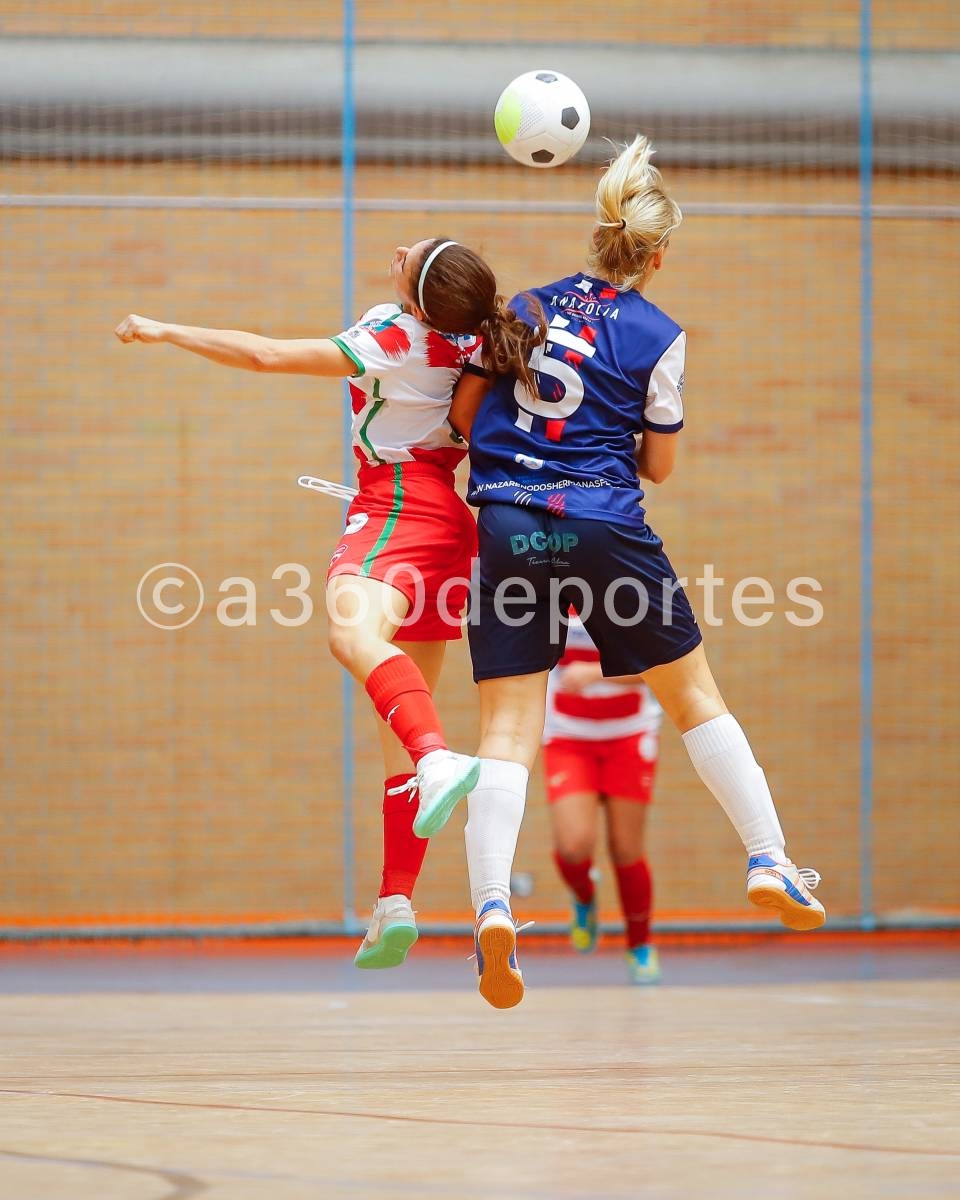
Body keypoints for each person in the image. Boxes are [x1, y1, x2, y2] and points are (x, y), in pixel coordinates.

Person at [418, 136, 826, 1010]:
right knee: (694, 698)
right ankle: (771, 860)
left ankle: (492, 906)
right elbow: (662, 467)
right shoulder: (659, 335)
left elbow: (461, 414)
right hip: (604, 523)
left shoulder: (525, 304)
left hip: (510, 524)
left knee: (506, 729)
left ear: (597, 234)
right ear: (656, 252)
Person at [114, 237, 546, 970]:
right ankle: (395, 902)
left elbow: (264, 357)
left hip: (399, 502)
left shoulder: (396, 336)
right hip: (449, 523)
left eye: (417, 255)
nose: (401, 248)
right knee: (396, 722)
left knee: (350, 636)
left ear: (418, 297)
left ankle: (440, 758)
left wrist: (165, 330)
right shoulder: (475, 339)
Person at [542, 612, 663, 985]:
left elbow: (662, 662)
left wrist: (596, 673)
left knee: (626, 848)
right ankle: (584, 895)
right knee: (573, 846)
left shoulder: (631, 587)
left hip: (629, 735)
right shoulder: (545, 589)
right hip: (568, 735)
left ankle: (639, 945)